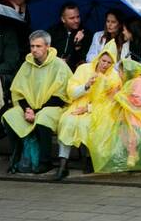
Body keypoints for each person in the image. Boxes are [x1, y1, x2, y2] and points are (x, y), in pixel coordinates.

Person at [3, 30, 73, 175]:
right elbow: (18, 91)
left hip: (53, 107)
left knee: (43, 118)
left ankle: (45, 162)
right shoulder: (26, 64)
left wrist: (36, 111)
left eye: (38, 46)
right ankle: (16, 156)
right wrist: (28, 109)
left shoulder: (59, 65)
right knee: (9, 116)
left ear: (48, 46)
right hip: (29, 108)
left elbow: (61, 96)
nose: (34, 50)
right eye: (32, 46)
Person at [55, 42, 122, 180]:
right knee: (68, 121)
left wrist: (89, 108)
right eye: (103, 60)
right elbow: (71, 92)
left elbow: (110, 102)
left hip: (99, 111)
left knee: (87, 124)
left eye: (109, 62)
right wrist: (86, 86)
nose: (105, 64)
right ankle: (63, 164)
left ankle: (89, 160)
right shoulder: (84, 69)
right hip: (77, 105)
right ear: (98, 58)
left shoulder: (114, 77)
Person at [88, 59, 141, 174]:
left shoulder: (139, 82)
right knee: (121, 128)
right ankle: (132, 154)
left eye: (121, 72)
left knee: (129, 128)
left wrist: (120, 96)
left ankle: (133, 154)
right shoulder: (129, 81)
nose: (120, 74)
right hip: (130, 114)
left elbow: (139, 101)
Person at [49, 3, 91, 70]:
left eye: (78, 17)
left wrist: (77, 45)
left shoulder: (86, 34)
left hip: (73, 71)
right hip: (53, 67)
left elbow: (84, 59)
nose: (76, 20)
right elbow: (46, 52)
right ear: (63, 19)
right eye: (72, 18)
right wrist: (57, 60)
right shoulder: (53, 31)